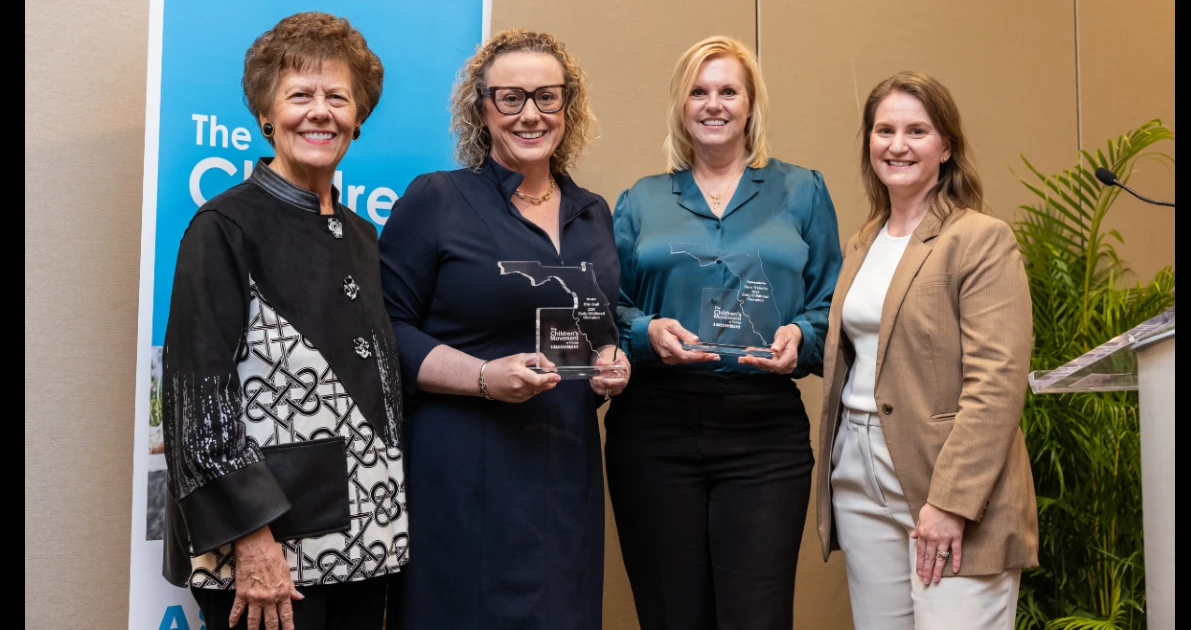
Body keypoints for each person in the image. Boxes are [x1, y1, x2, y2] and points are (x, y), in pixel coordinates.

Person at [159, 12, 405, 630]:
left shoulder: (362, 235)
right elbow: (197, 396)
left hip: (365, 548)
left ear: (358, 117)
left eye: (337, 98)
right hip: (270, 562)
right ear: (267, 114)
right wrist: (251, 542)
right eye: (300, 96)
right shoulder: (225, 227)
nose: (319, 112)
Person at [379, 28, 628, 630]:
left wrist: (614, 363)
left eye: (547, 96)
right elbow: (385, 330)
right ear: (481, 108)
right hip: (463, 470)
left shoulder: (592, 210)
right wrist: (484, 376)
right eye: (510, 97)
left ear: (568, 105)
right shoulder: (438, 199)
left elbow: (602, 321)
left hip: (565, 468)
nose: (530, 114)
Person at [606, 35, 841, 629]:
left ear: (751, 104)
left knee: (755, 617)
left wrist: (801, 339)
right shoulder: (642, 199)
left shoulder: (802, 190)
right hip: (654, 427)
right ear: (681, 107)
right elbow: (608, 307)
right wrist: (645, 331)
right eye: (699, 91)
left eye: (728, 90)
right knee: (671, 615)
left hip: (764, 431)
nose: (714, 104)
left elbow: (830, 300)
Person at [813, 71, 1038, 629]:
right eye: (884, 129)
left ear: (946, 148)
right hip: (858, 471)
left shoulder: (980, 238)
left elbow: (998, 383)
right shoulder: (862, 241)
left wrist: (952, 502)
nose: (897, 145)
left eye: (917, 130)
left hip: (948, 476)